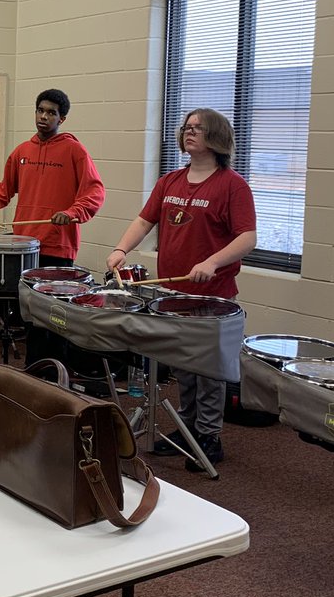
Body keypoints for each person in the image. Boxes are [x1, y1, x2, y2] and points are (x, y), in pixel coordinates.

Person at [107, 108, 256, 470]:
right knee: (183, 366)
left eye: (198, 129)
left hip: (212, 295)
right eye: (187, 127)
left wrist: (213, 262)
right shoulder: (170, 181)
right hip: (172, 294)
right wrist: (120, 249)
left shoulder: (232, 184)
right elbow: (144, 220)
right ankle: (187, 425)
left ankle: (208, 436)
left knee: (208, 369)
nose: (189, 133)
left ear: (216, 137)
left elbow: (248, 237)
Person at [0, 88, 105, 266]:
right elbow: (5, 189)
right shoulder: (22, 151)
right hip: (23, 244)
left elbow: (95, 192)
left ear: (61, 119)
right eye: (40, 111)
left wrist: (72, 212)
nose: (43, 117)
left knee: (48, 295)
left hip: (58, 246)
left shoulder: (75, 151)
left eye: (51, 113)